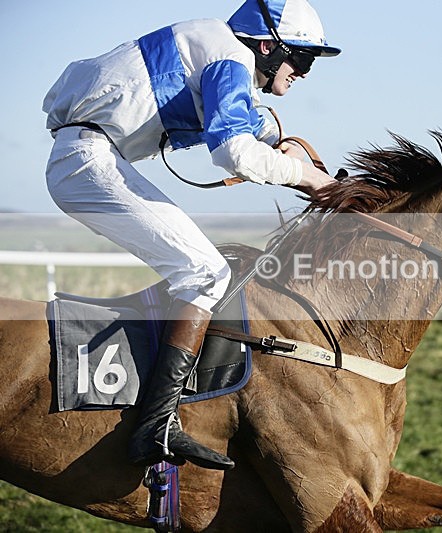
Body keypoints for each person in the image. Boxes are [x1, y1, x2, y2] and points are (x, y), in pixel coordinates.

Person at [42, 0, 340, 471]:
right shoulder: (231, 58)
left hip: (87, 158)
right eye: (300, 59)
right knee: (205, 272)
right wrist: (310, 178)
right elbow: (234, 155)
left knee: (200, 270)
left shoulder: (217, 49)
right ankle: (156, 425)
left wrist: (276, 141)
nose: (303, 72)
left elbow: (243, 121)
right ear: (267, 46)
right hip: (89, 162)